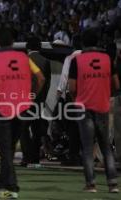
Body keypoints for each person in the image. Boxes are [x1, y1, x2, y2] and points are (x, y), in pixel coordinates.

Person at [0, 28, 45, 199]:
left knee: (5, 150)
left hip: (3, 108)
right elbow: (41, 78)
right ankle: (1, 182)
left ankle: (12, 187)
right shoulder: (25, 58)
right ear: (13, 42)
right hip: (22, 108)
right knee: (9, 150)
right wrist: (31, 96)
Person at [68, 29, 120, 193]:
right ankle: (113, 184)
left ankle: (91, 184)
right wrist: (106, 94)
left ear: (83, 43)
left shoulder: (77, 60)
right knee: (106, 146)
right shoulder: (108, 59)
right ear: (98, 42)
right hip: (102, 106)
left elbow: (72, 87)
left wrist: (76, 99)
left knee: (88, 148)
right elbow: (116, 85)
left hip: (84, 106)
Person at [20, 35, 51, 166]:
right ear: (39, 47)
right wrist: (41, 98)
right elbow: (47, 83)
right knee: (37, 129)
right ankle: (35, 158)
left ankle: (27, 157)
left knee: (23, 129)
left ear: (27, 47)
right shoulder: (45, 61)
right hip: (38, 101)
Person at [57, 34, 82, 166]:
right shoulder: (87, 56)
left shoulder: (70, 57)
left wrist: (59, 93)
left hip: (72, 95)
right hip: (88, 94)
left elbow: (65, 77)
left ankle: (73, 155)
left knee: (72, 127)